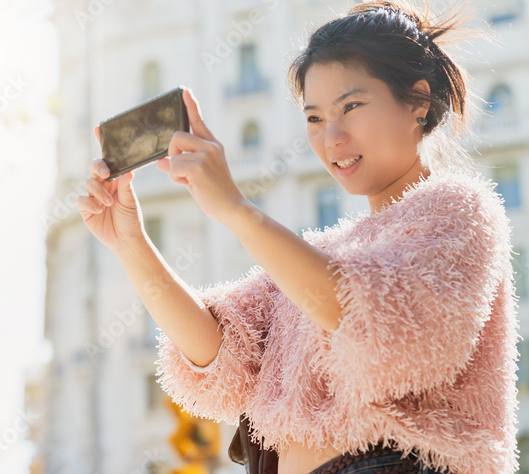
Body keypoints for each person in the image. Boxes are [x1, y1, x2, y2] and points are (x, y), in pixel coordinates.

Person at [76, 1, 519, 473]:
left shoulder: (458, 209)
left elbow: (381, 328)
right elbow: (219, 356)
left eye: (352, 106)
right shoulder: (319, 258)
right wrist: (130, 243)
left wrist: (235, 208)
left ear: (419, 101)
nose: (333, 138)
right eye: (314, 118)